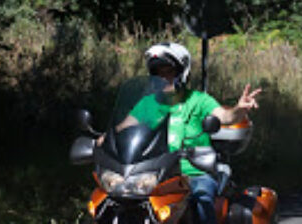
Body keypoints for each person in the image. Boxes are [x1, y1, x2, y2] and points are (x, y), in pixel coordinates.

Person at [104, 42, 262, 224]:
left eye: (168, 72)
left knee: (202, 202)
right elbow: (123, 127)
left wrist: (239, 109)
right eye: (157, 73)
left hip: (194, 172)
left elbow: (225, 117)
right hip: (155, 174)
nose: (163, 78)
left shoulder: (198, 100)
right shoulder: (148, 103)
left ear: (181, 72)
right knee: (111, 201)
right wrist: (102, 140)